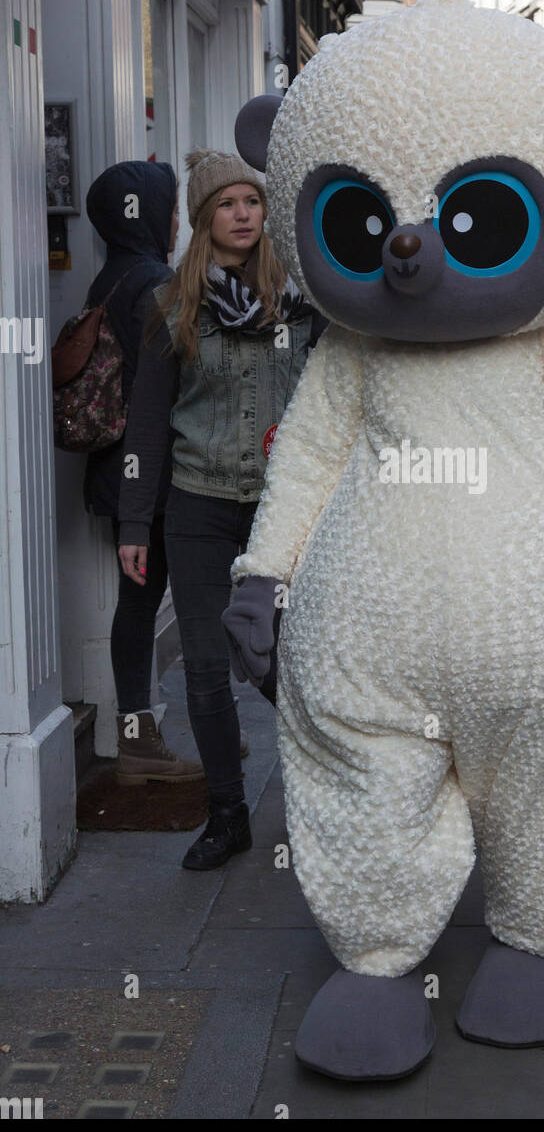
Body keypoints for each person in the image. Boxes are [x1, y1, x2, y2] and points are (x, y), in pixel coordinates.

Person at [117, 150, 315, 869]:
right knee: (203, 667)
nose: (241, 214)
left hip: (280, 514)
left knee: (291, 666)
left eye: (251, 202)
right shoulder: (171, 305)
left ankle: (330, 795)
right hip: (197, 508)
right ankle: (227, 816)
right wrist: (136, 522)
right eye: (226, 204)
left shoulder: (301, 301)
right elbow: (147, 421)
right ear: (204, 219)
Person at [83, 160, 202, 784]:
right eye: (171, 206)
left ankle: (157, 736)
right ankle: (138, 743)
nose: (177, 218)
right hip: (150, 474)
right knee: (150, 606)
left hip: (124, 469)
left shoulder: (110, 274)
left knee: (141, 603)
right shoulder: (153, 280)